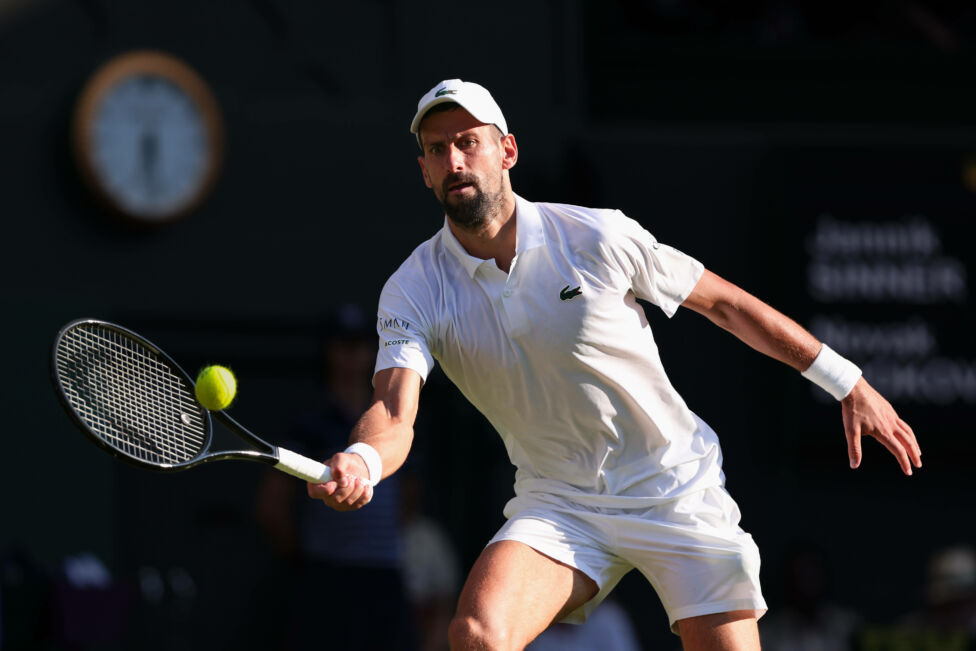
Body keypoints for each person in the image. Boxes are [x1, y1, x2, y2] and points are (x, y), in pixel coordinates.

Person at [307, 79, 922, 651]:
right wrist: (363, 460)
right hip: (560, 502)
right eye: (437, 150)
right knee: (477, 635)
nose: (455, 160)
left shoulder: (597, 237)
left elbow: (727, 305)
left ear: (507, 151)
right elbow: (392, 410)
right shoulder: (413, 288)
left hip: (673, 485)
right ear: (424, 171)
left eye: (469, 142)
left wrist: (846, 380)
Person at [255, 304, 415, 650]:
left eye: (360, 345)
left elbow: (409, 502)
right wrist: (306, 563)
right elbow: (272, 507)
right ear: (329, 352)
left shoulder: (401, 426)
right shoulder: (308, 426)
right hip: (325, 582)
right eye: (343, 345)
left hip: (383, 581)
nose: (352, 356)